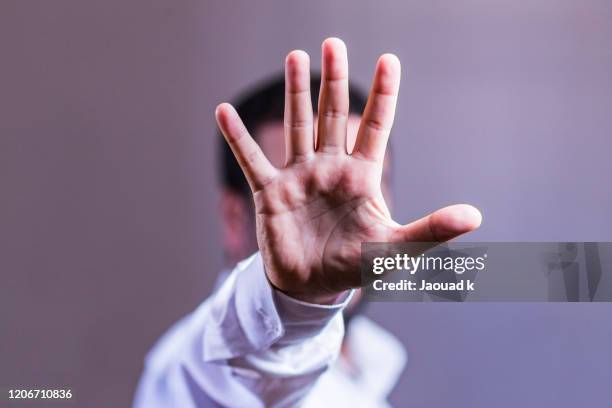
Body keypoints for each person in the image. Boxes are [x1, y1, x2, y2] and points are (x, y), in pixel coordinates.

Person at [133, 37, 482, 407]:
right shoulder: (197, 370)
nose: (340, 220)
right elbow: (251, 364)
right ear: (235, 220)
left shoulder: (372, 365)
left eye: (362, 192)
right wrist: (297, 303)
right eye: (305, 198)